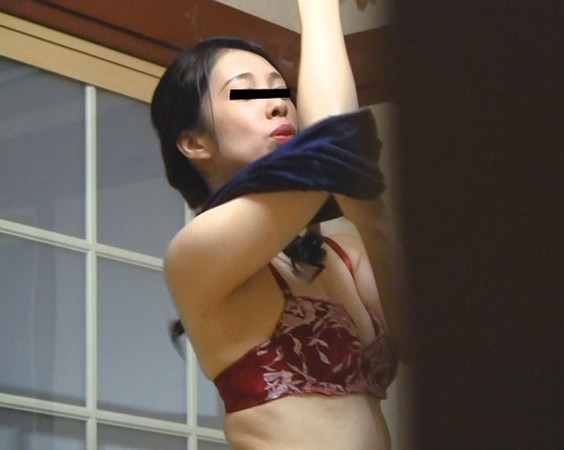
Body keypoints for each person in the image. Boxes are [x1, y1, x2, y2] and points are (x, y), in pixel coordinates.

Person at [149, 1, 405, 448]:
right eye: (245, 93)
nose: (277, 106)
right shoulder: (192, 252)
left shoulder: (346, 255)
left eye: (281, 91)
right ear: (195, 141)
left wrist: (371, 216)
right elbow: (333, 150)